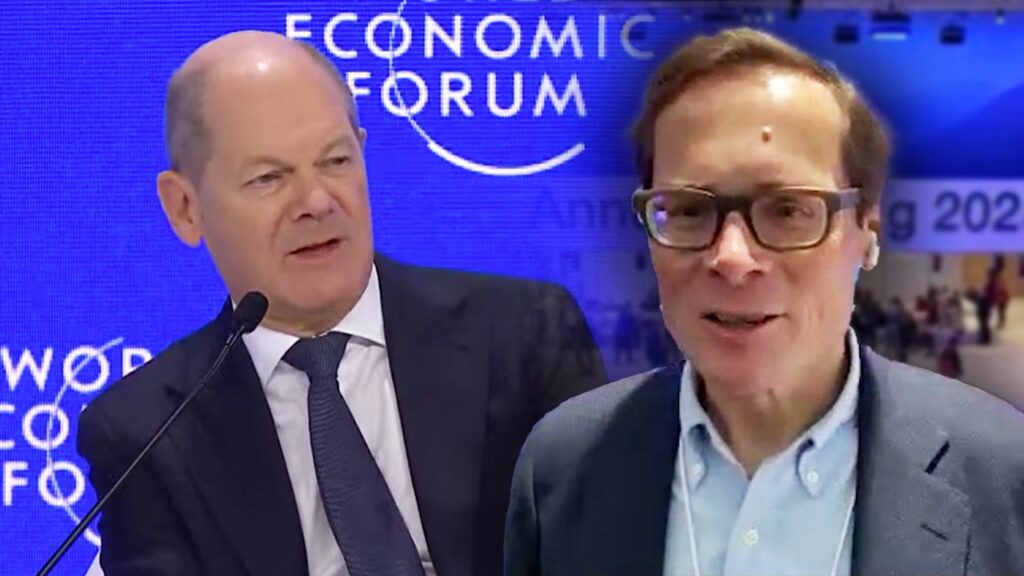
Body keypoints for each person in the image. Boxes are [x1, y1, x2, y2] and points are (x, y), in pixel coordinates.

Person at [77, 31, 606, 576]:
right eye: (268, 178)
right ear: (185, 208)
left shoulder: (523, 335)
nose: (316, 201)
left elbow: (611, 543)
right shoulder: (148, 435)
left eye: (335, 161)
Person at [505, 28, 1024, 576]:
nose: (732, 258)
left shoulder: (999, 473)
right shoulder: (563, 467)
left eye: (787, 210)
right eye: (688, 210)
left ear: (868, 230)